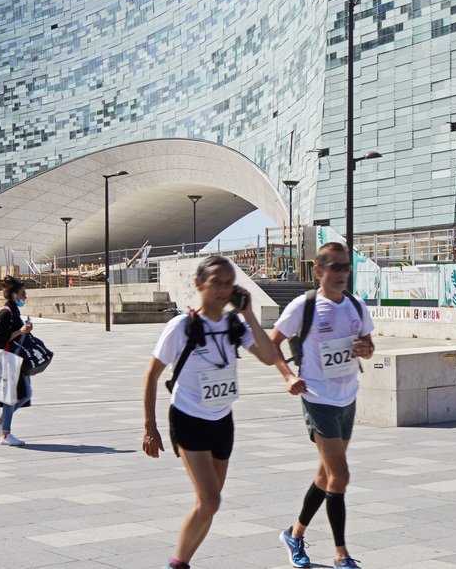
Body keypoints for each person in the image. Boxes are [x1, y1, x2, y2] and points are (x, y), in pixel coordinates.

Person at [142, 254, 281, 569]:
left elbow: (271, 357)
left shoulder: (234, 324)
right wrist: (150, 427)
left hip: (222, 419)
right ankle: (176, 565)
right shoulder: (183, 326)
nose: (222, 289)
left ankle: (182, 561)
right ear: (198, 283)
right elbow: (151, 375)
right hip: (189, 418)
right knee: (210, 500)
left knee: (209, 504)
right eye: (216, 282)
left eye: (229, 283)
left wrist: (249, 315)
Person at [273, 242, 377, 569]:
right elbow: (272, 344)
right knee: (341, 475)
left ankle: (294, 533)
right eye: (334, 267)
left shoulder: (356, 306)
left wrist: (365, 349)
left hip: (348, 397)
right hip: (317, 398)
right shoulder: (303, 307)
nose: (341, 274)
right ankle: (341, 554)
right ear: (318, 271)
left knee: (326, 476)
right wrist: (289, 376)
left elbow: (370, 346)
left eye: (346, 267)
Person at [0, 276, 33, 445]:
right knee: (15, 396)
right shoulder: (6, 312)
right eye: (23, 293)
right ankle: (5, 434)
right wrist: (20, 331)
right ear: (15, 294)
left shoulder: (14, 311)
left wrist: (24, 330)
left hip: (16, 359)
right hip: (8, 360)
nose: (25, 296)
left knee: (23, 395)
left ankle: (1, 423)